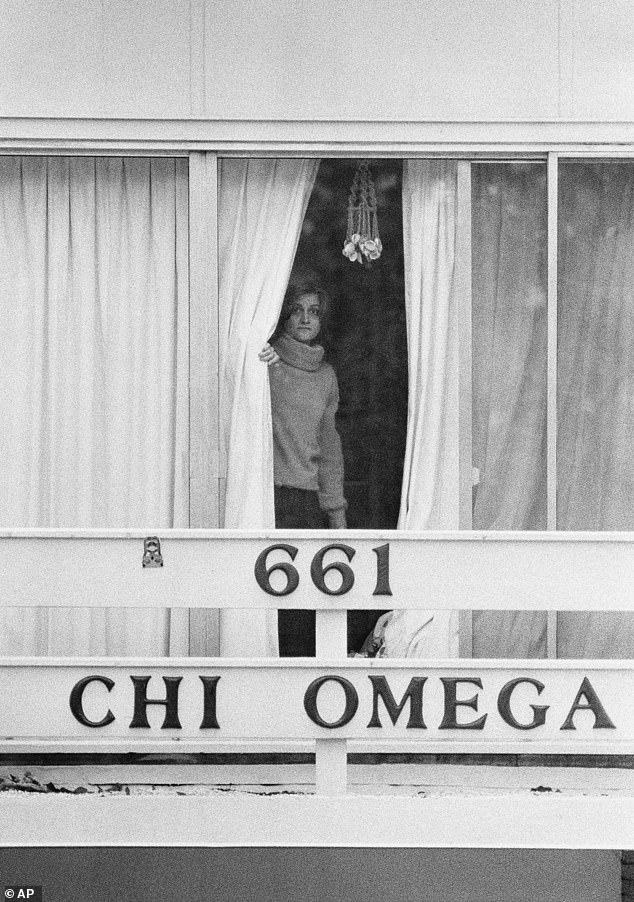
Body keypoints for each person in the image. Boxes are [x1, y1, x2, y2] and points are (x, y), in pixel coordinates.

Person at [259, 282, 347, 655]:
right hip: (266, 497)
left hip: (306, 501)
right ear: (283, 316)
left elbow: (329, 448)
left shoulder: (326, 375)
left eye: (313, 311)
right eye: (297, 310)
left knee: (303, 602)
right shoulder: (266, 360)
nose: (306, 318)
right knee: (264, 596)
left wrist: (336, 511)